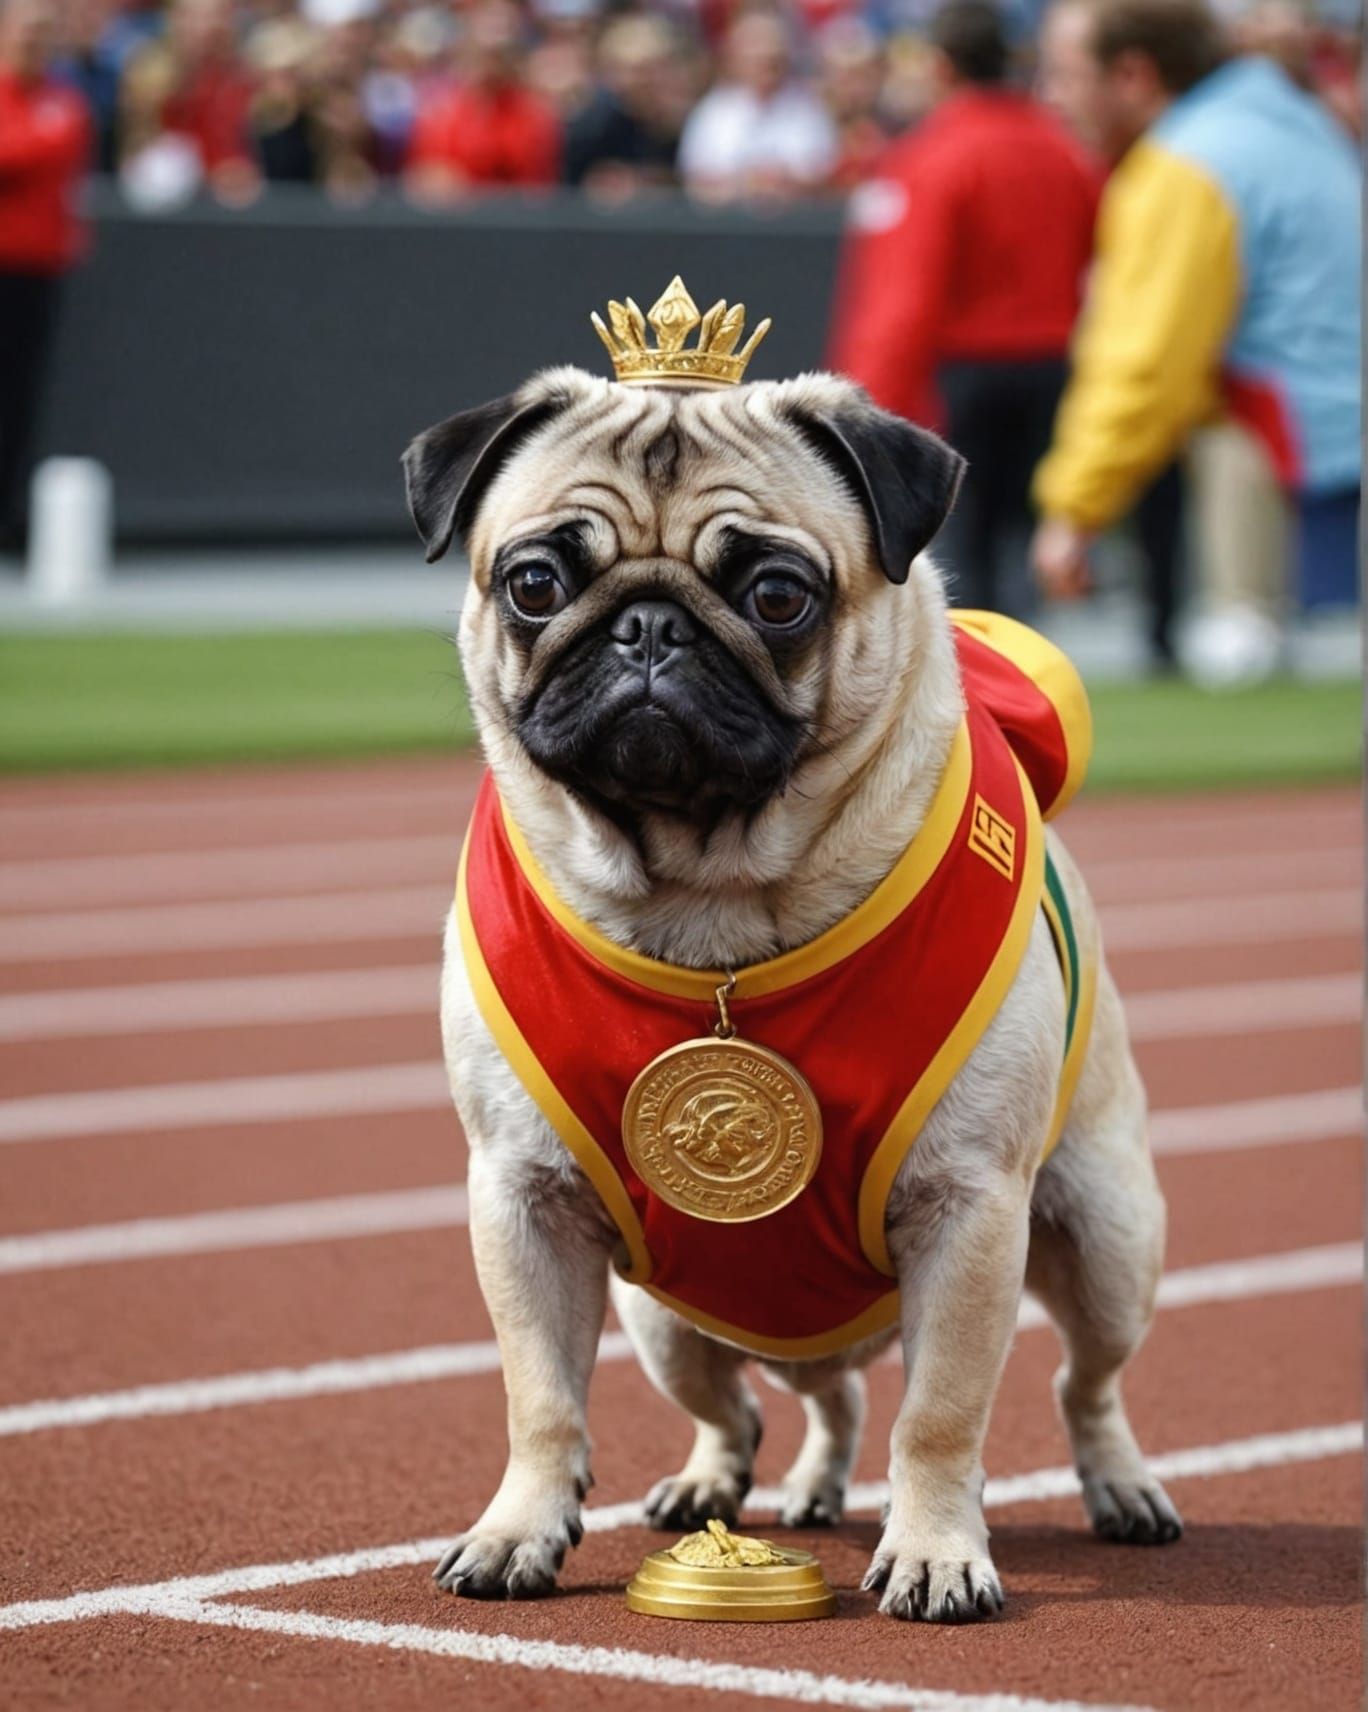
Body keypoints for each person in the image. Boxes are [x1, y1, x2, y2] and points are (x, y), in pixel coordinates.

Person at [1032, 0, 1361, 675]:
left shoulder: (1185, 163)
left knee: (1252, 666)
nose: (1051, 98)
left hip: (1300, 466)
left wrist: (1073, 511)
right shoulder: (1287, 118)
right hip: (1336, 450)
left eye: (1065, 74)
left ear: (1131, 74)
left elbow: (1146, 364)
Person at [828, 0, 1098, 616]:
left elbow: (904, 297)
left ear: (942, 66)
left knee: (967, 541)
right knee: (1024, 533)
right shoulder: (1065, 150)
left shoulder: (930, 157)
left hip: (969, 374)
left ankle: (984, 678)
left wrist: (860, 406)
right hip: (1054, 365)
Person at [0, 0, 92, 553]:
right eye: (25, 29)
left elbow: (49, 145)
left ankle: (10, 518)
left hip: (34, 274)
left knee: (19, 403)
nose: (35, 40)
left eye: (43, 31)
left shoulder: (63, 101)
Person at [677, 10, 837, 202]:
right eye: (756, 57)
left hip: (794, 224)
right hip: (727, 225)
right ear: (735, 58)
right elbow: (696, 178)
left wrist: (780, 180)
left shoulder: (809, 108)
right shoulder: (713, 112)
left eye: (773, 59)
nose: (765, 65)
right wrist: (746, 183)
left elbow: (822, 174)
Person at [405, 1, 560, 195]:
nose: (485, 65)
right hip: (451, 222)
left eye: (495, 56)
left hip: (509, 219)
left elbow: (534, 188)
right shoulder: (441, 110)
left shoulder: (533, 114)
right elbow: (423, 178)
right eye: (480, 54)